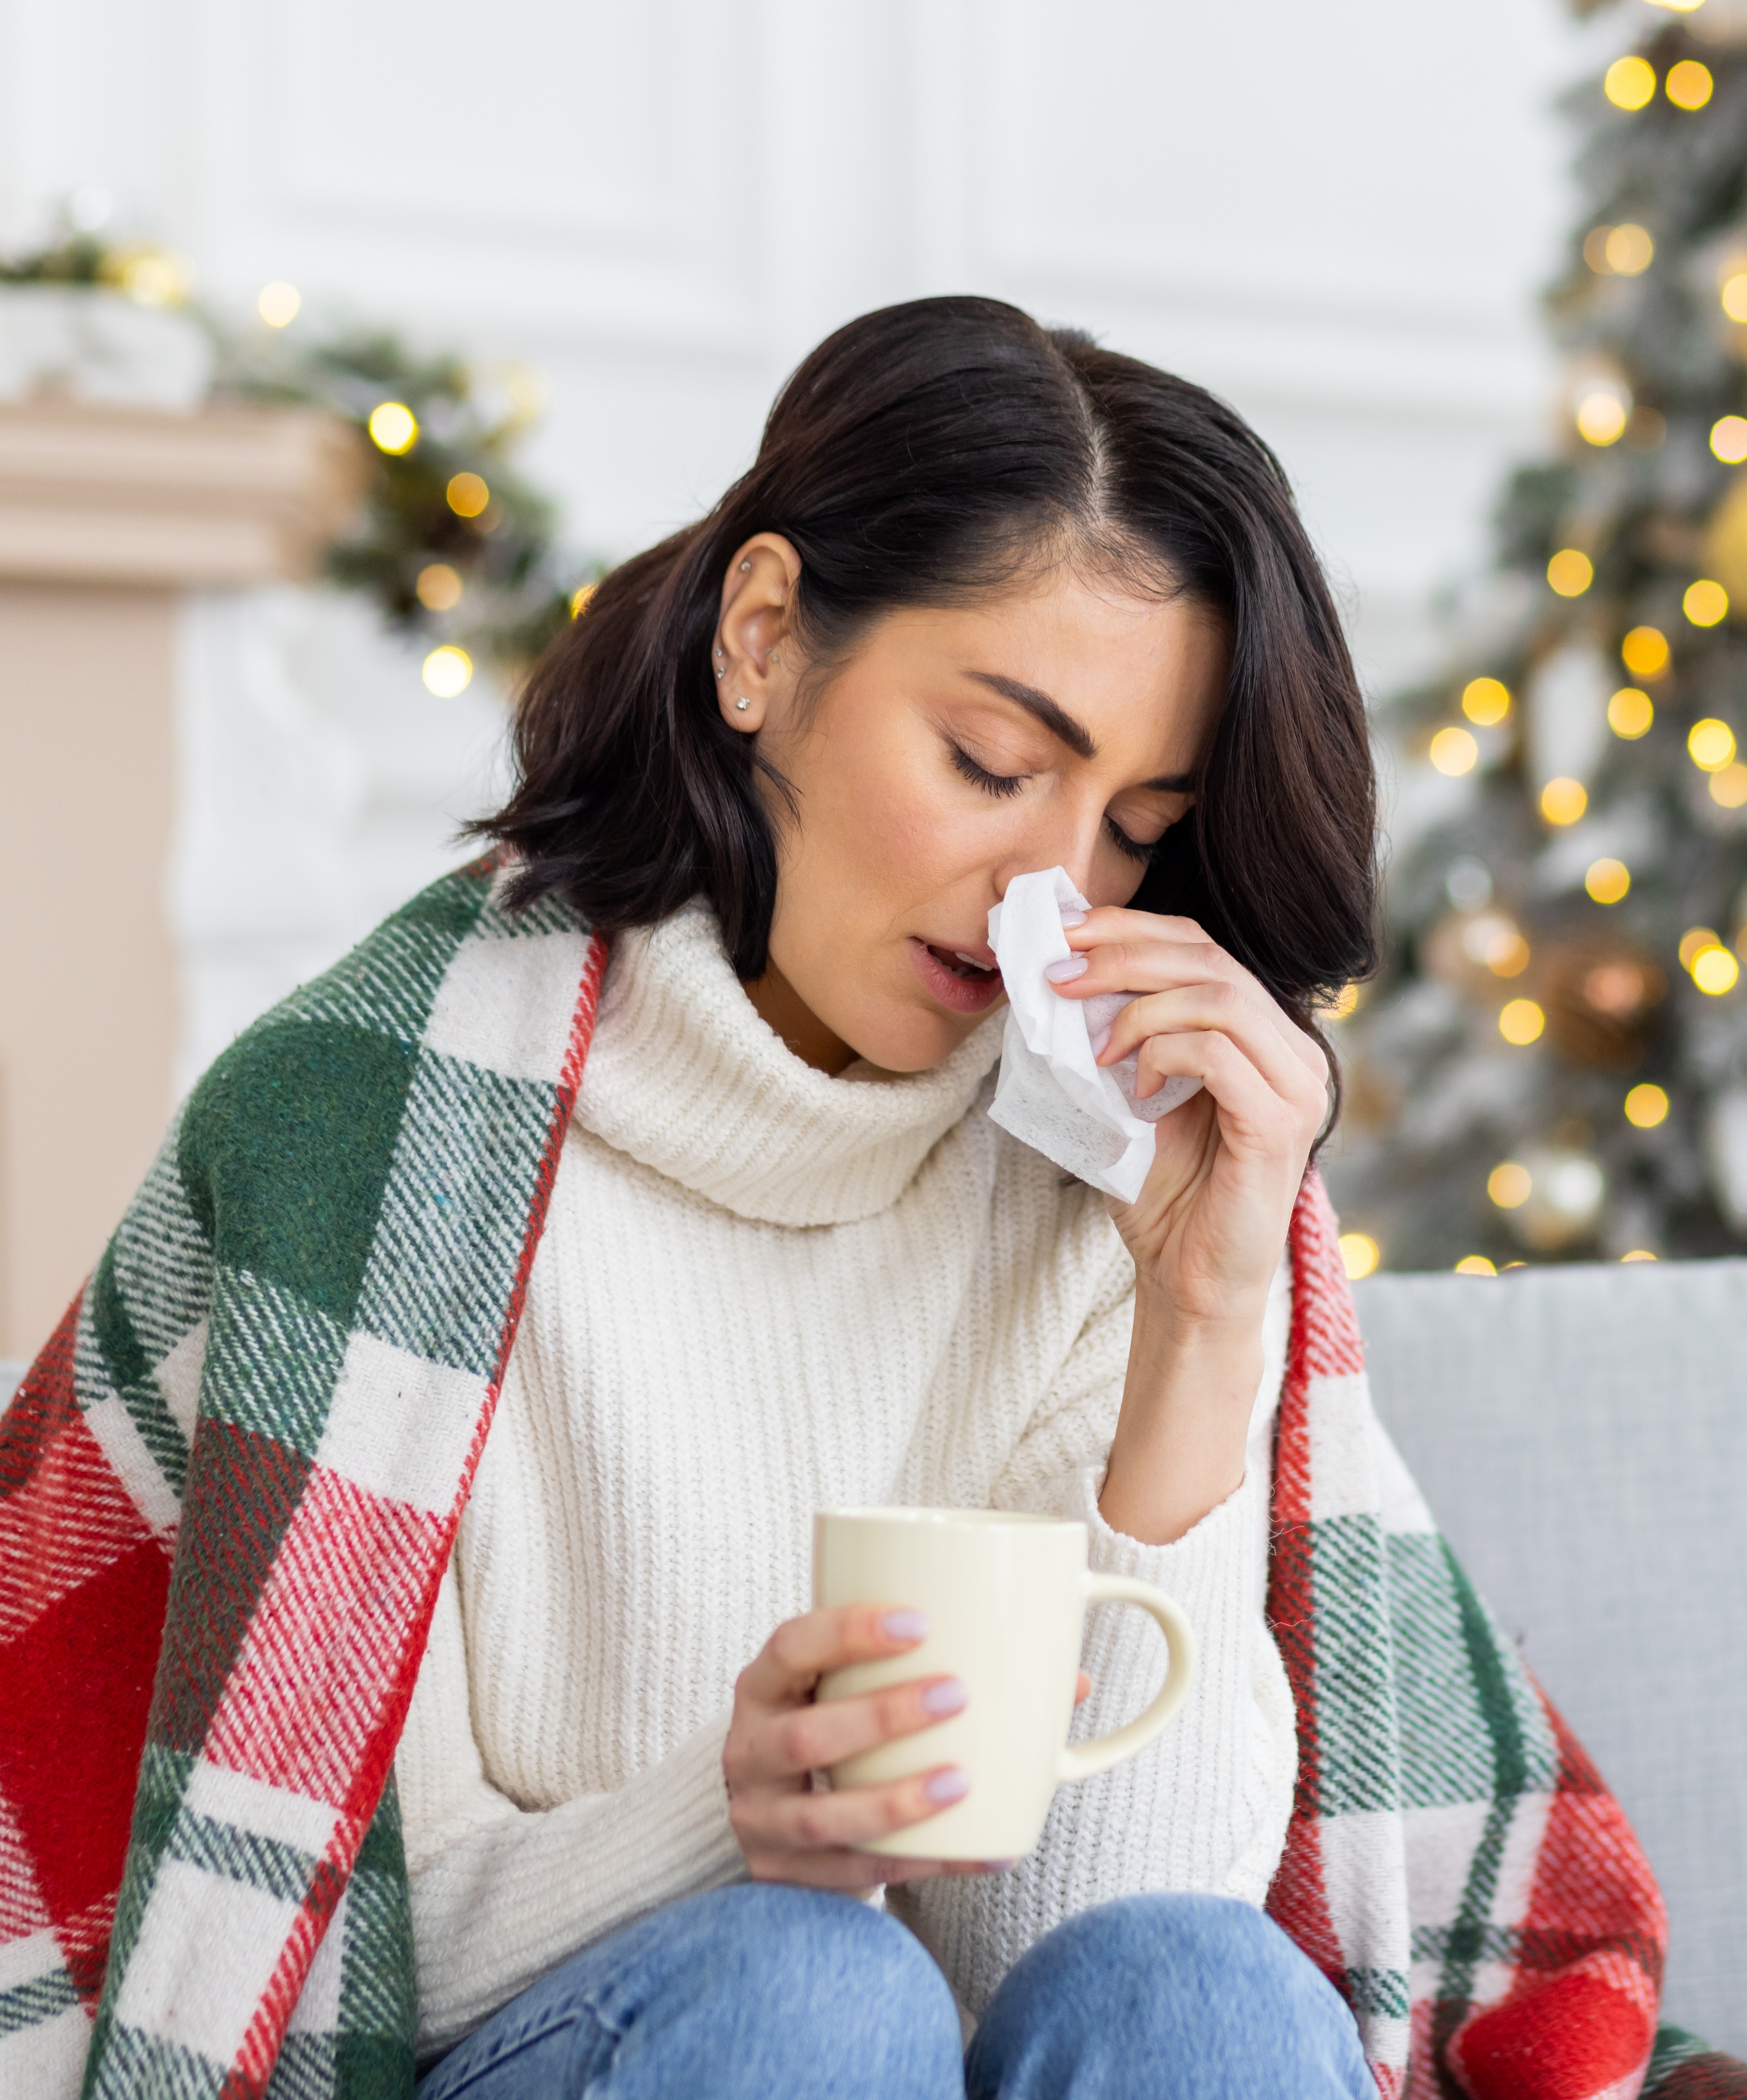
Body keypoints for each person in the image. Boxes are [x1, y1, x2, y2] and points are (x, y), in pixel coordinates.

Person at [402, 295, 1381, 2096]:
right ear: (762, 640)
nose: (1057, 892)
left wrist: (1201, 1321)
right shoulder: (409, 1140)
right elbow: (336, 1927)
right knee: (807, 1987)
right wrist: (729, 1818)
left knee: (1197, 1985)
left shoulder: (1097, 1178)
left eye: (1135, 824)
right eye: (994, 765)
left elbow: (1097, 1951)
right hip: (573, 2045)